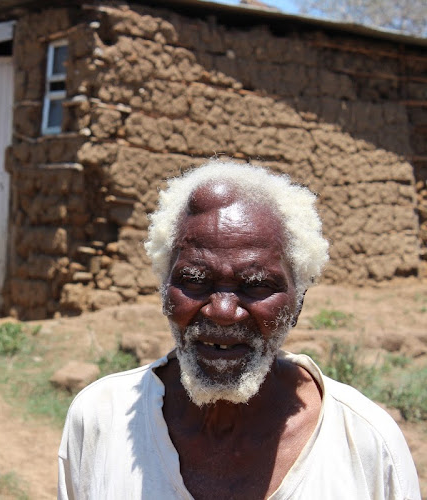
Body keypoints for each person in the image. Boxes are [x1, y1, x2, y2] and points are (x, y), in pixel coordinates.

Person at [57, 159, 421, 499]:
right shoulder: (100, 420)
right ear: (163, 290)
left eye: (258, 285)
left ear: (299, 303)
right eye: (195, 281)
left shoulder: (366, 443)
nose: (223, 312)